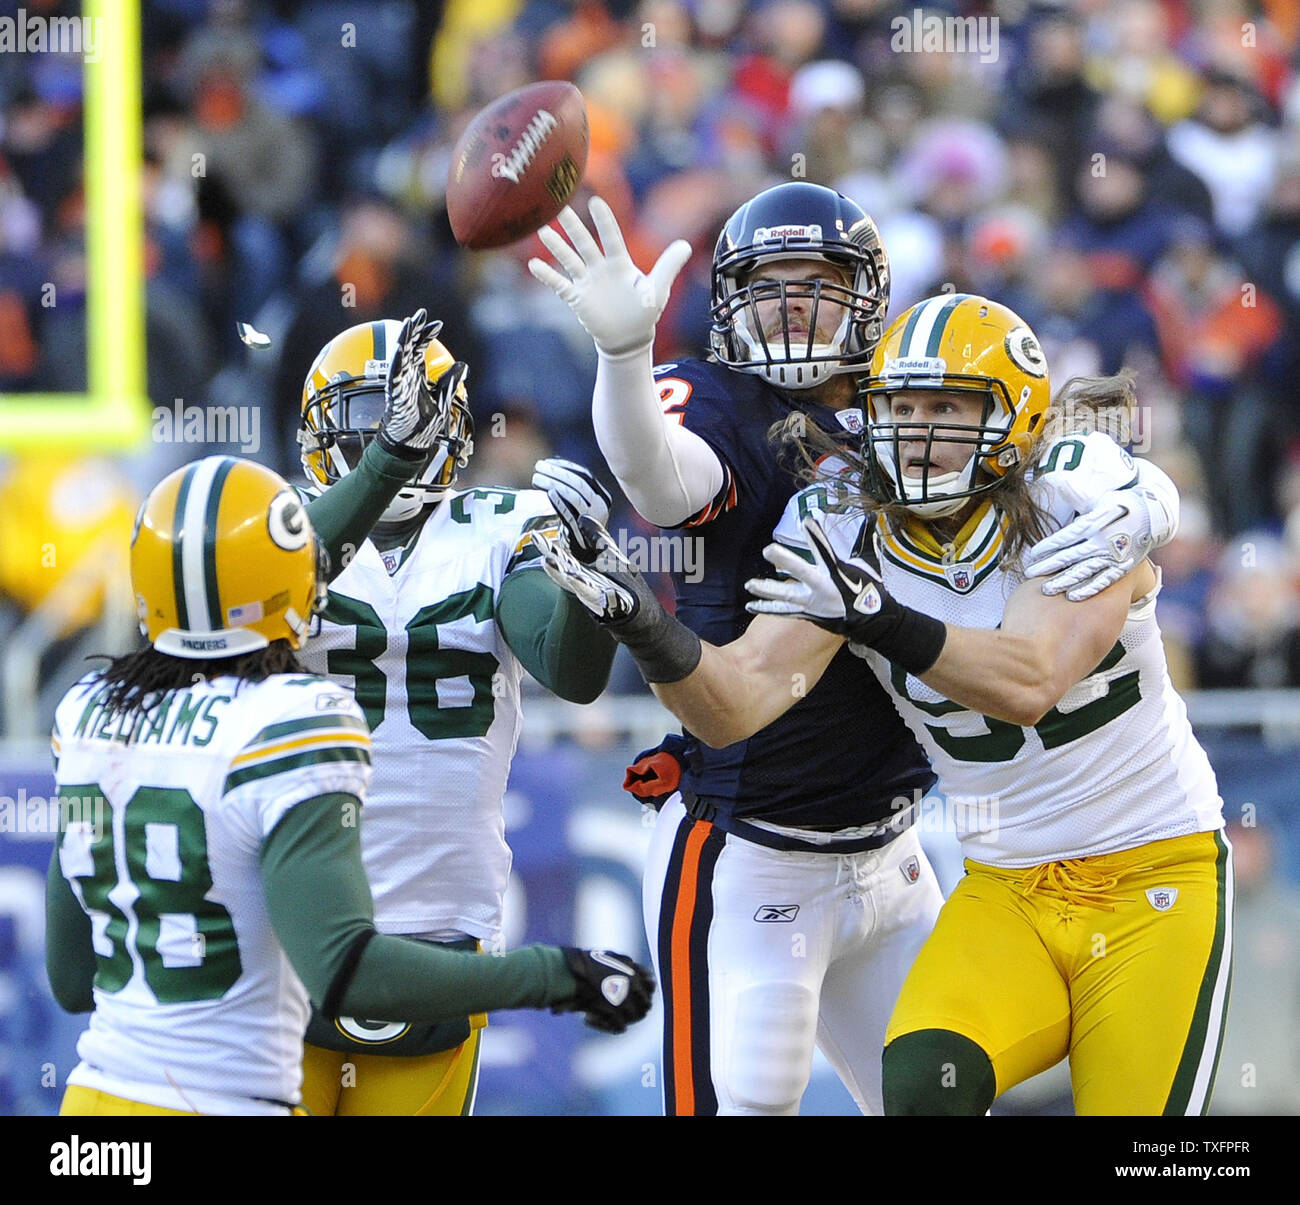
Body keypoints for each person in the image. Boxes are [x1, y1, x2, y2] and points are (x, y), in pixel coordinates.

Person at [528, 185, 1181, 1115]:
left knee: (932, 1100)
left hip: (892, 848)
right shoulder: (720, 404)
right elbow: (659, 477)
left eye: (817, 280)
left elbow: (1046, 443)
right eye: (770, 283)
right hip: (753, 843)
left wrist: (1150, 498)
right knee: (743, 1104)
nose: (793, 302)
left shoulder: (908, 399)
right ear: (730, 304)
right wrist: (624, 356)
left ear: (869, 295)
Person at [44, 452, 654, 1117]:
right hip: (226, 1094)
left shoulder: (88, 712)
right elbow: (348, 971)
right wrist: (553, 975)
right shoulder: (290, 721)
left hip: (97, 1105)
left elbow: (73, 979)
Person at [292, 316, 625, 1115]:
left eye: (407, 412)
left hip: (443, 920)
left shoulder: (499, 525)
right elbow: (262, 604)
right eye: (369, 414)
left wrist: (589, 591)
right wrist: (383, 464)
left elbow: (568, 670)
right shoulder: (281, 526)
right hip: (289, 914)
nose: (392, 429)